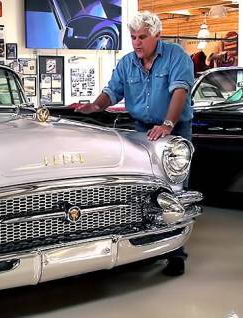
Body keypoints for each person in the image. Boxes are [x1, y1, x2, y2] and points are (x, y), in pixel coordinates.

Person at [70, 11, 193, 276]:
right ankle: (145, 245)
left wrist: (168, 125)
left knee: (174, 190)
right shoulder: (127, 63)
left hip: (173, 131)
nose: (137, 43)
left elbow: (179, 91)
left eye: (143, 37)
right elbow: (111, 91)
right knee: (143, 189)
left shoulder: (176, 57)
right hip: (141, 131)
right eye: (133, 37)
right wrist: (92, 107)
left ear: (157, 36)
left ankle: (176, 253)